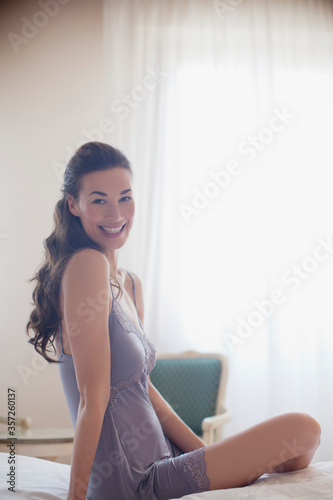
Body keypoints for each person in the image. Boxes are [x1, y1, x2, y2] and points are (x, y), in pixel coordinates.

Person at [26, 141, 321, 500]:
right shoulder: (87, 264)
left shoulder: (129, 284)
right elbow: (93, 397)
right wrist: (76, 497)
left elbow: (147, 393)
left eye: (125, 197)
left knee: (303, 440)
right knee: (303, 428)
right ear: (74, 205)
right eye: (99, 199)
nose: (116, 213)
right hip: (133, 480)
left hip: (166, 461)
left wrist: (209, 456)